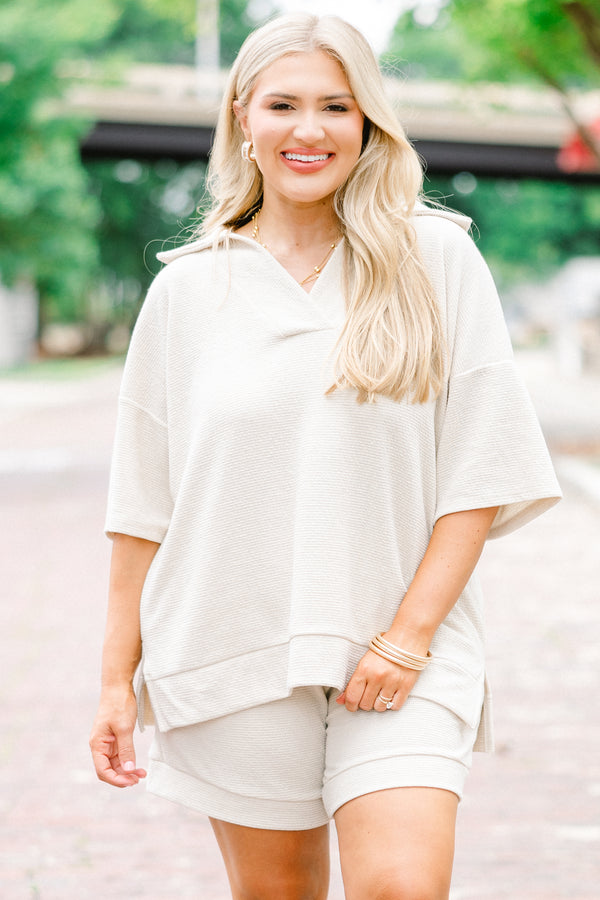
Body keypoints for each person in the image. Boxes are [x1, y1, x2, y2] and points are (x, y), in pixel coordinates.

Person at [90, 13, 561, 899]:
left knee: (401, 886)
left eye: (336, 106)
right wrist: (116, 682)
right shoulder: (186, 290)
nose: (309, 130)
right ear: (243, 115)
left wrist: (407, 639)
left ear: (367, 122)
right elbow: (142, 510)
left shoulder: (436, 259)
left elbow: (481, 471)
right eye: (284, 105)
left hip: (405, 650)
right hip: (231, 650)